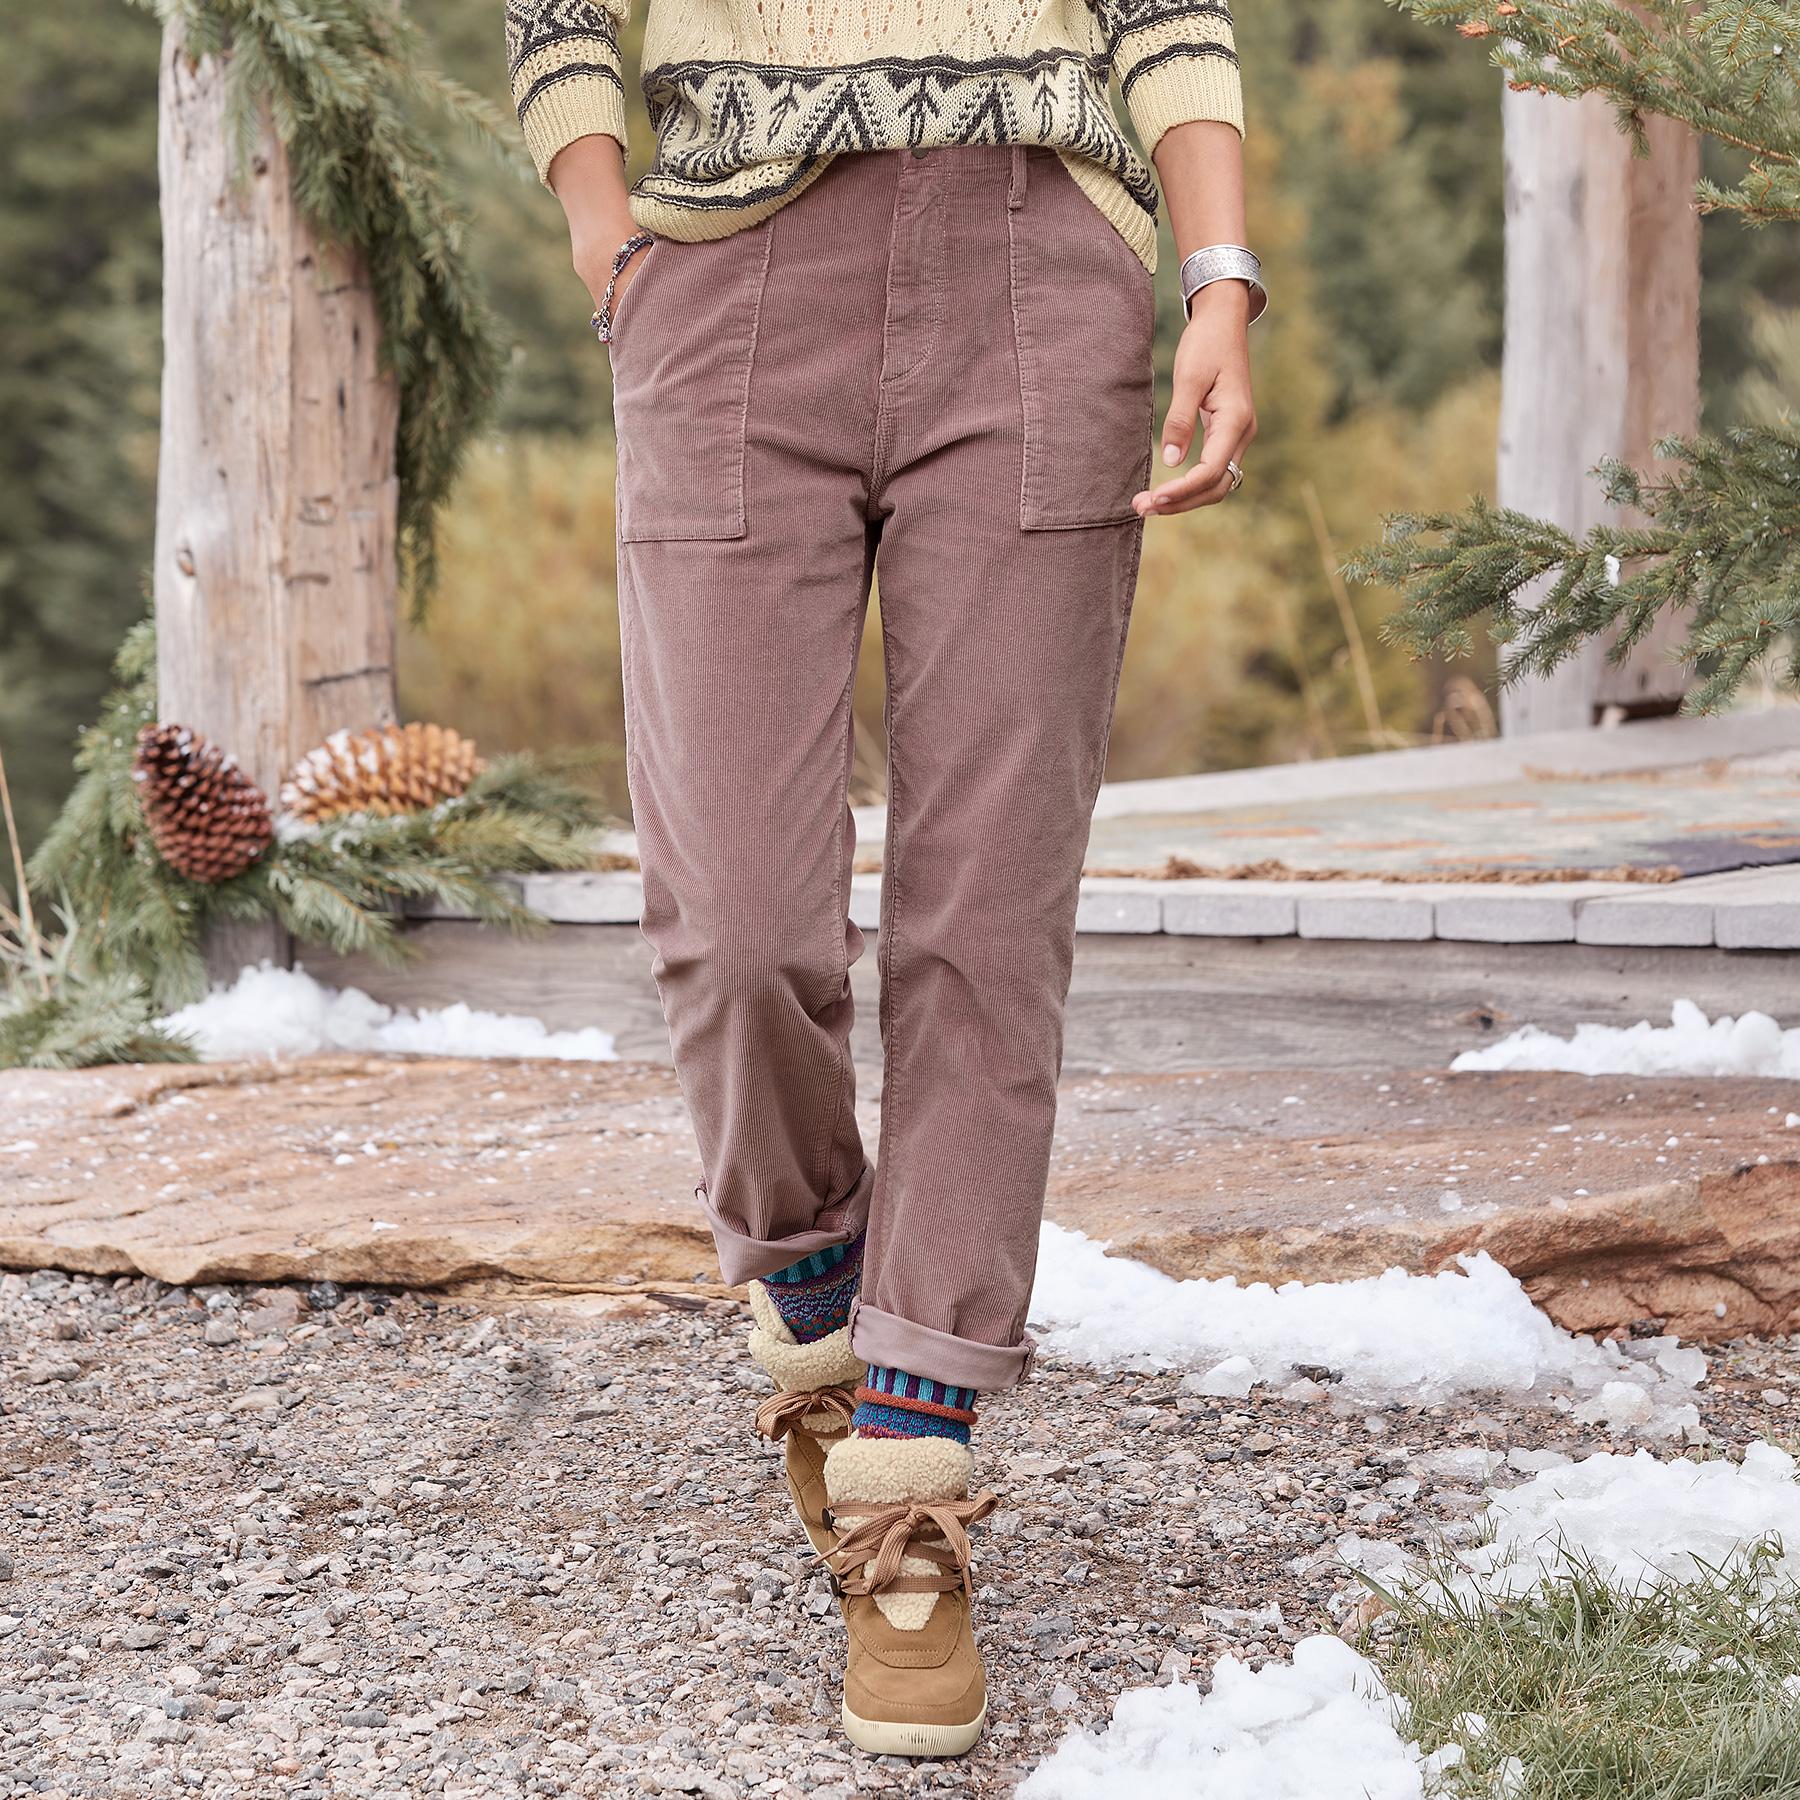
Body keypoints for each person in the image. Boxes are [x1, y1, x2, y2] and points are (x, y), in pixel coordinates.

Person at [505, 0, 1261, 1758]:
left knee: (987, 916)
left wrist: (1217, 272)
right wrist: (604, 230)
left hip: (1038, 276)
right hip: (726, 281)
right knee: (738, 925)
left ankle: (912, 1468)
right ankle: (817, 1292)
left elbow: (1170, 15)